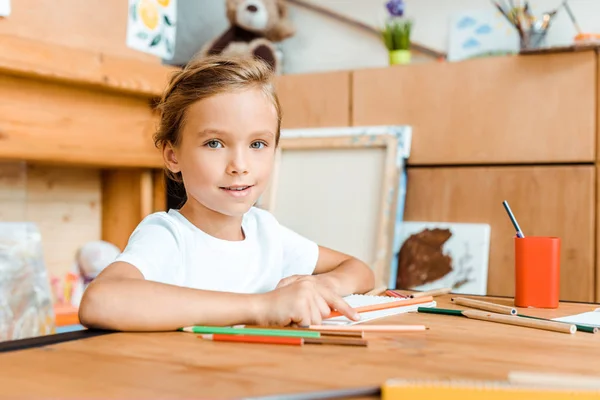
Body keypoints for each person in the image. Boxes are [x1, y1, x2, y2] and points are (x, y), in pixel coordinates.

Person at [78, 55, 375, 332]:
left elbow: (359, 270)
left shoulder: (267, 233)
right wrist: (262, 306)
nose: (239, 166)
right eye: (215, 143)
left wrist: (323, 286)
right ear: (173, 156)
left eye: (257, 144)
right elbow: (100, 301)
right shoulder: (169, 236)